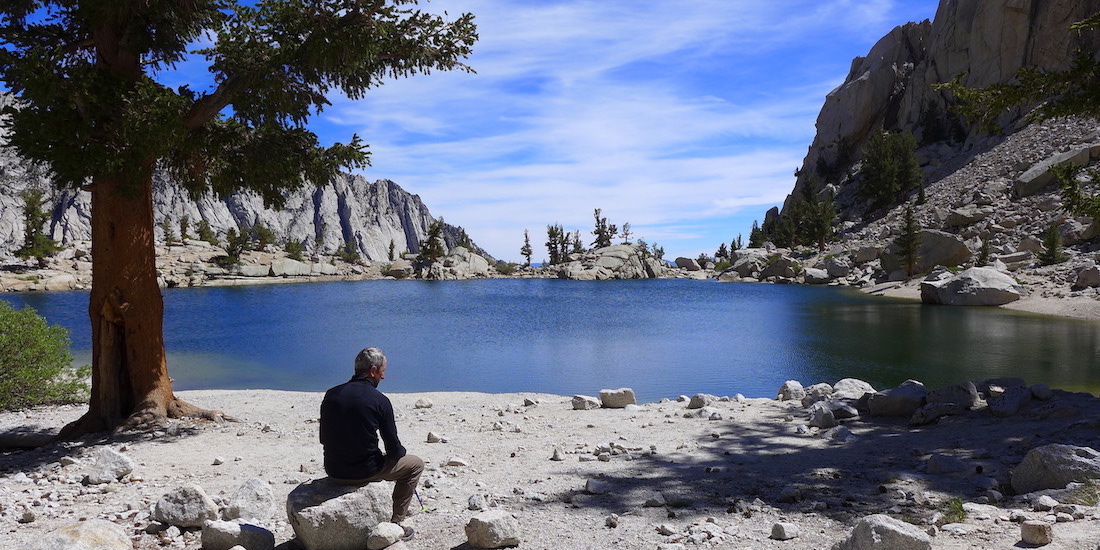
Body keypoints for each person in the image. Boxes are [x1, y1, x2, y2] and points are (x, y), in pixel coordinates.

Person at [320, 347, 424, 540]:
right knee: (415, 464)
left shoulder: (331, 394)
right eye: (383, 371)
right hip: (364, 472)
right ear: (373, 371)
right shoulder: (380, 401)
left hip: (333, 469)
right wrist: (399, 453)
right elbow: (394, 449)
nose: (383, 377)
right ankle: (396, 522)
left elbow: (323, 439)